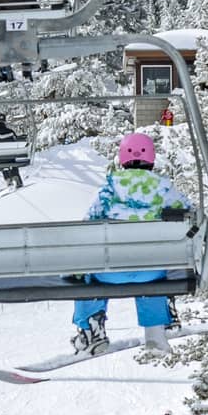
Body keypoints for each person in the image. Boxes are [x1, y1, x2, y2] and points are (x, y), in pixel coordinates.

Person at [71, 132, 193, 355]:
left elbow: (88, 223)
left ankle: (92, 330)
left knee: (89, 277)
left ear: (122, 158)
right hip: (150, 272)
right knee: (154, 274)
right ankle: (155, 332)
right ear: (152, 158)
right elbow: (189, 214)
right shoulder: (163, 188)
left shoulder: (110, 188)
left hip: (109, 272)